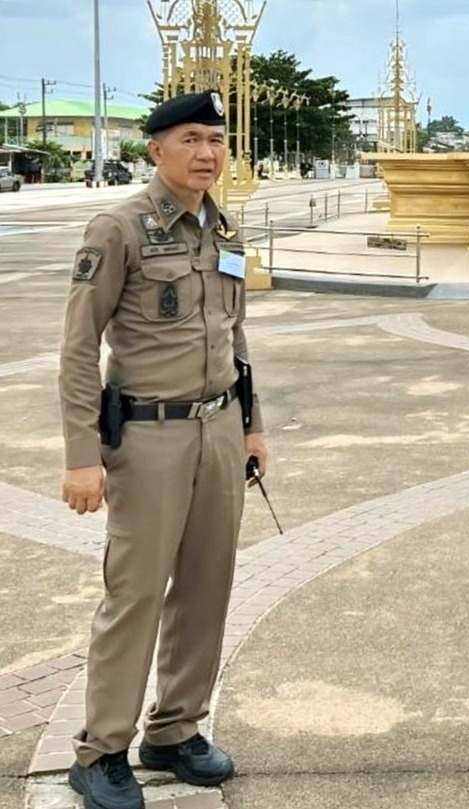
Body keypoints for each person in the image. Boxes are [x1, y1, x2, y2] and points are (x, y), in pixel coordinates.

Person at [59, 91, 268, 809]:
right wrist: (82, 455)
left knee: (208, 585)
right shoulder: (119, 228)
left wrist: (252, 425)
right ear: (156, 150)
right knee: (137, 592)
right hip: (148, 436)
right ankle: (100, 750)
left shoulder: (224, 228)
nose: (207, 153)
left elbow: (234, 333)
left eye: (216, 139)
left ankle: (176, 730)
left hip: (219, 428)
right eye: (190, 139)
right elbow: (79, 348)